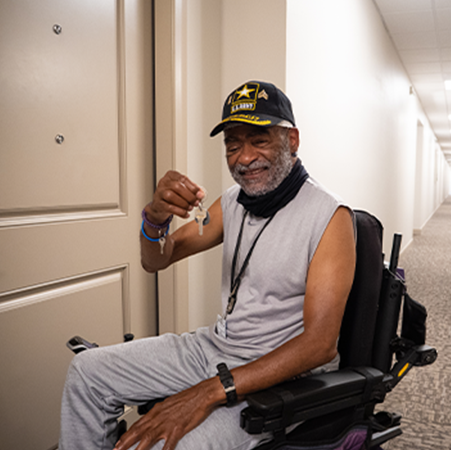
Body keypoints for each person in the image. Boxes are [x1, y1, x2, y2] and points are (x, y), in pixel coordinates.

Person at [59, 81, 356, 450]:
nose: (244, 158)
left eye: (259, 140)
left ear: (292, 140)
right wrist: (155, 218)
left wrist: (206, 393)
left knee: (163, 444)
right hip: (214, 349)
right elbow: (157, 260)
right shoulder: (232, 202)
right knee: (86, 373)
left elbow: (320, 345)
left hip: (278, 376)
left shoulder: (330, 216)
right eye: (233, 144)